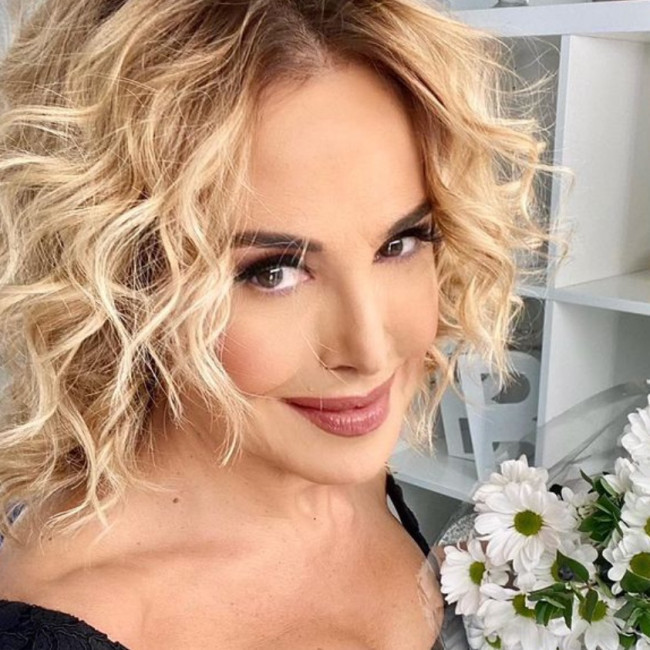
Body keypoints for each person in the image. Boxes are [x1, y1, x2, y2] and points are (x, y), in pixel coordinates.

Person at [0, 0, 565, 647]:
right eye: (273, 272)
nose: (370, 351)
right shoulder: (74, 616)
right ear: (121, 282)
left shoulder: (341, 472)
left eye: (400, 242)